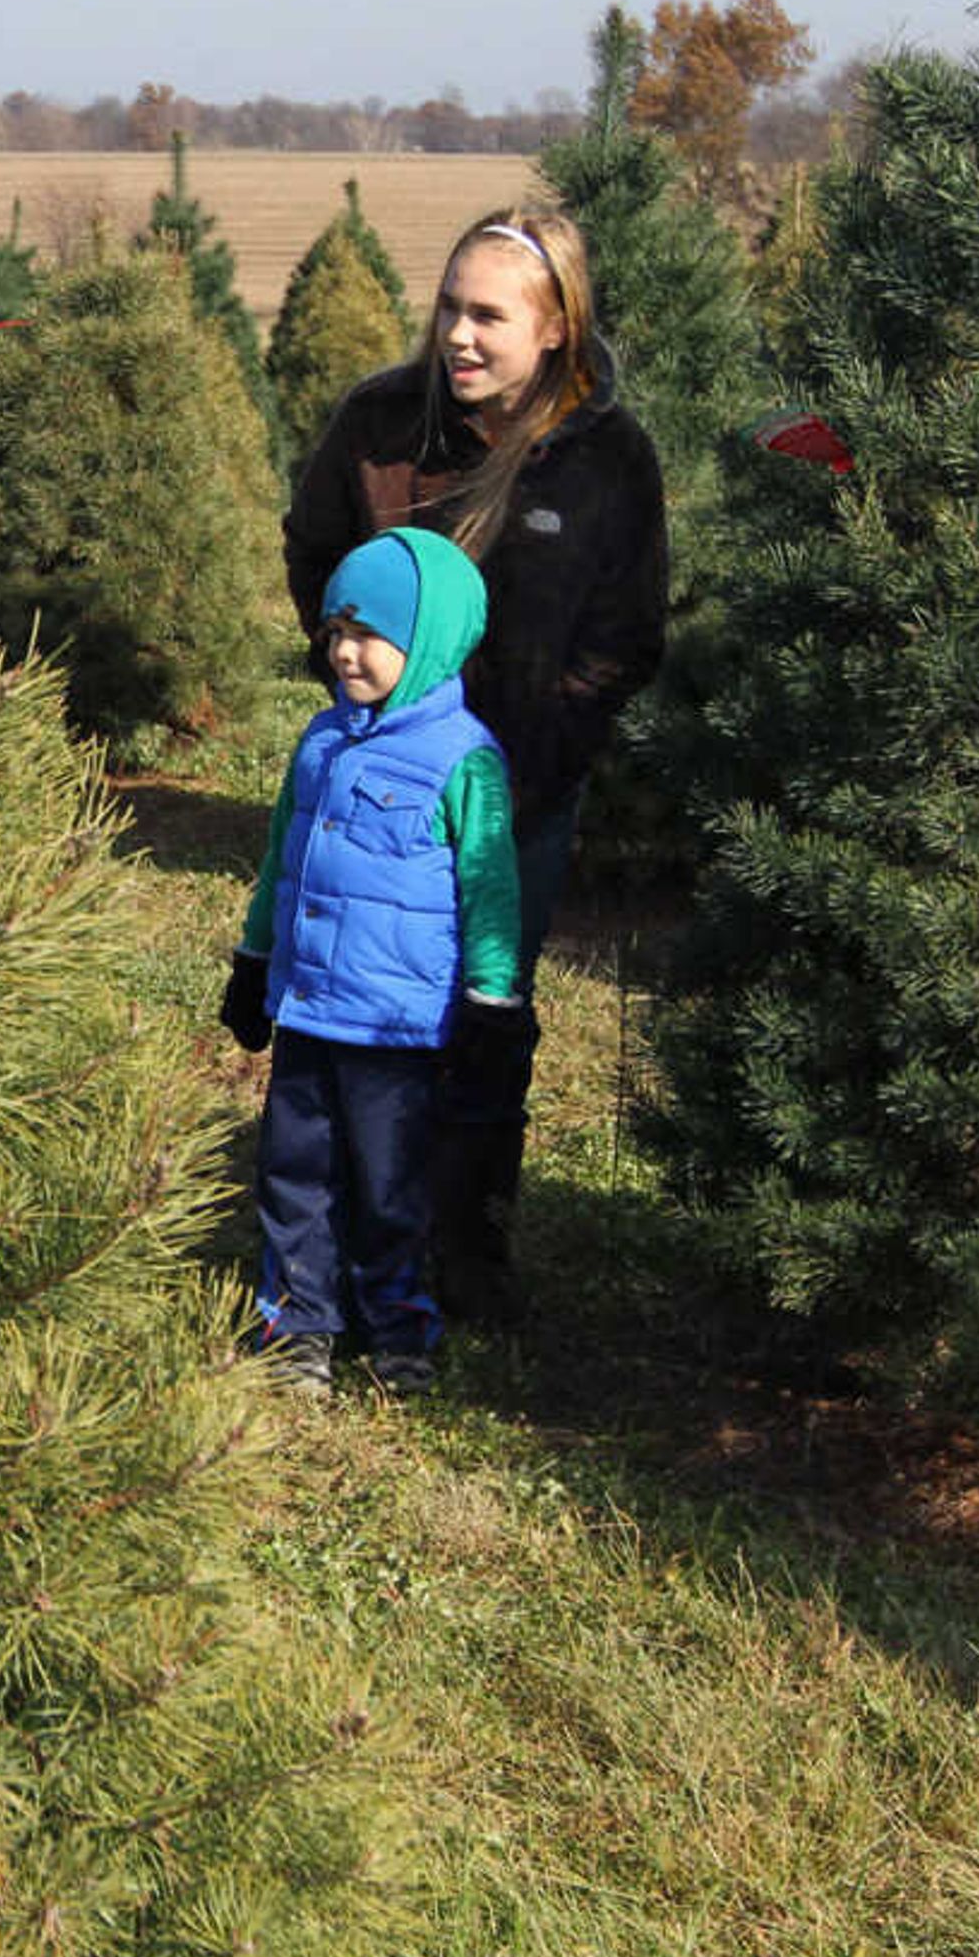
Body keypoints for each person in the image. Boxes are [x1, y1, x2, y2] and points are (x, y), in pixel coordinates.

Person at [277, 206, 664, 1326]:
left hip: (515, 801)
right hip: (376, 785)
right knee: (354, 1006)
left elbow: (627, 632)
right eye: (451, 305)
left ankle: (469, 1242)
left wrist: (547, 750)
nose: (460, 333)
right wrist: (353, 678)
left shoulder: (603, 459)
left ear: (555, 330)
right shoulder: (381, 425)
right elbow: (313, 551)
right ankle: (343, 1240)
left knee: (485, 1009)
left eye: (489, 315)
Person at [217, 527, 523, 1394]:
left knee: (390, 1186)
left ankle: (397, 1328)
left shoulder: (464, 759)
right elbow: (283, 857)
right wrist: (254, 958)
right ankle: (298, 1325)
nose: (345, 651)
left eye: (368, 634)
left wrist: (492, 999)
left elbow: (491, 888)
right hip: (311, 1009)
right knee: (294, 1172)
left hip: (398, 1026)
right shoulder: (319, 742)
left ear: (425, 637)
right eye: (334, 631)